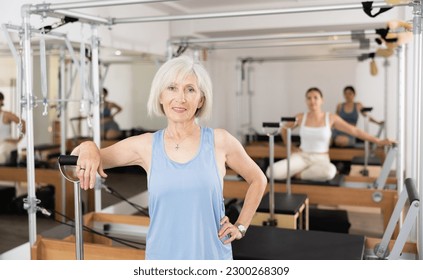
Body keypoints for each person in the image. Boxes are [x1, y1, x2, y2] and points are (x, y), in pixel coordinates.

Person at [71, 56, 267, 260]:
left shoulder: (220, 141)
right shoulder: (145, 145)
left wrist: (241, 226)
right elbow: (79, 159)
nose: (180, 98)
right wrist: (88, 146)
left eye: (190, 89)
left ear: (201, 99)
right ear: (160, 96)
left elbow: (258, 180)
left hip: (211, 256)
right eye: (172, 88)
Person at [267, 87, 393, 182]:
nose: (312, 101)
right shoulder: (300, 117)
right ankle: (303, 171)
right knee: (271, 172)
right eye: (309, 98)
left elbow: (354, 131)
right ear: (306, 101)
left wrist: (378, 141)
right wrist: (290, 147)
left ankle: (299, 174)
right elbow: (283, 129)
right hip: (302, 156)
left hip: (321, 158)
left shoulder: (331, 118)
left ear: (322, 100)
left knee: (330, 171)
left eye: (316, 97)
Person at [0, 92, 25, 164]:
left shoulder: (7, 115)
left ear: (1, 101)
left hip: (6, 144)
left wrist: (18, 139)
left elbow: (22, 123)